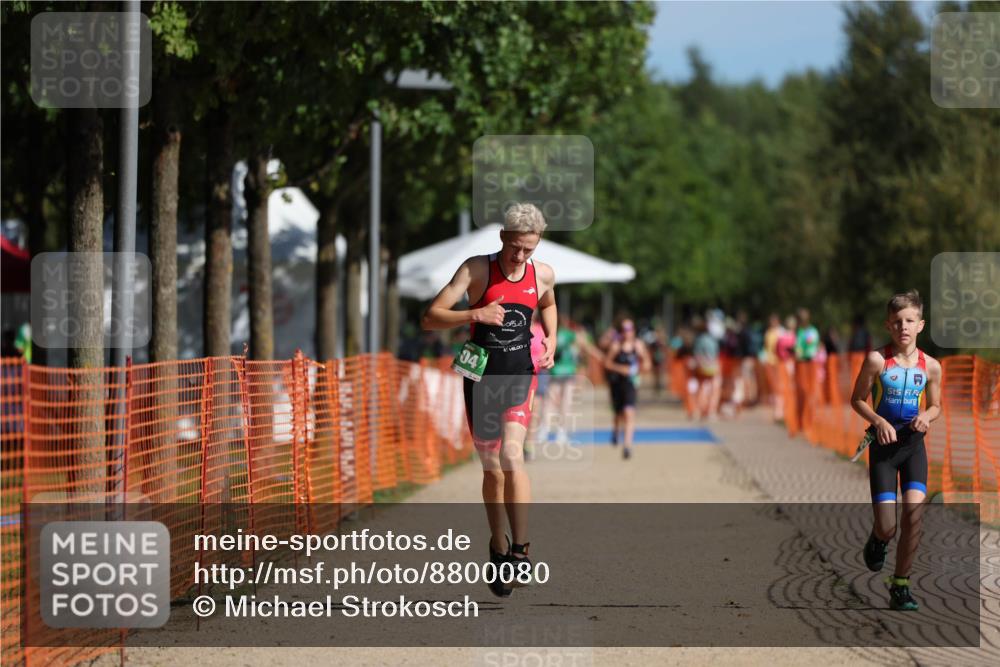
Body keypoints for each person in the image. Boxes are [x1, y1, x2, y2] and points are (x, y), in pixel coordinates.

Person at [421, 203, 556, 597]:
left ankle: (521, 548)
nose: (520, 257)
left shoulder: (542, 274)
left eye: (528, 249)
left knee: (513, 456)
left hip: (519, 375)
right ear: (502, 237)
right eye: (515, 247)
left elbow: (548, 305)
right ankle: (497, 542)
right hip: (479, 376)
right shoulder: (477, 269)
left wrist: (550, 338)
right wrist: (475, 314)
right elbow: (431, 317)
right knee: (493, 469)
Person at [849, 289, 941, 612]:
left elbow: (936, 406)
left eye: (910, 320)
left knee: (914, 517)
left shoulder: (931, 366)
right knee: (889, 526)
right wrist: (877, 421)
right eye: (897, 321)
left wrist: (926, 417)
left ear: (921, 325)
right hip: (884, 450)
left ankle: (900, 585)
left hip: (913, 448)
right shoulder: (877, 360)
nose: (904, 326)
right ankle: (878, 539)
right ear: (889, 326)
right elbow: (857, 399)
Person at [603, 317, 651, 460]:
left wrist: (643, 368)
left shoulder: (638, 345)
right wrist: (621, 368)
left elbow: (647, 362)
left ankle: (627, 446)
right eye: (624, 330)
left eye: (630, 329)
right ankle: (616, 432)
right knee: (618, 414)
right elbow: (607, 363)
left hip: (630, 383)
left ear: (634, 331)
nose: (627, 333)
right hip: (617, 383)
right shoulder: (616, 346)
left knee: (629, 412)